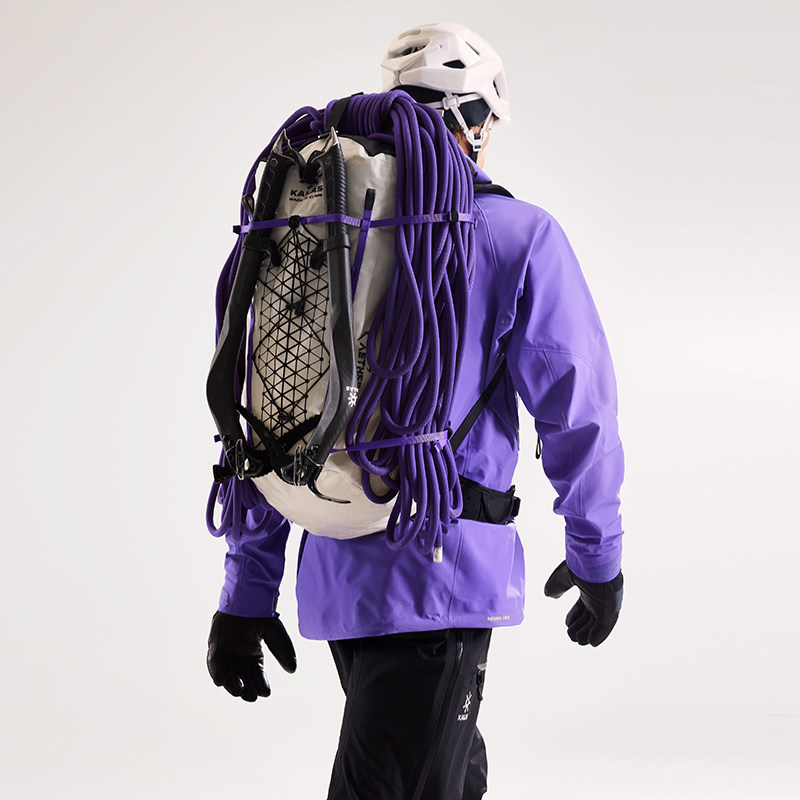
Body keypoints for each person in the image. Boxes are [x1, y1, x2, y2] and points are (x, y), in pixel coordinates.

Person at [206, 21, 625, 800]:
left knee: (450, 773)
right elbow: (579, 410)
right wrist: (598, 556)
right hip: (441, 574)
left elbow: (268, 414)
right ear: (477, 122)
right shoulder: (518, 235)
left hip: (338, 568)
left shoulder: (322, 229)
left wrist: (248, 590)